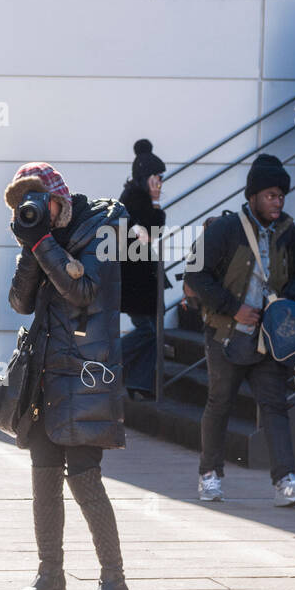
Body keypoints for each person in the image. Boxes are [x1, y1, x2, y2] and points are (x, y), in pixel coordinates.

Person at [6, 162, 130, 590]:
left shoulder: (102, 230)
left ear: (60, 197)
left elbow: (85, 293)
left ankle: (114, 580)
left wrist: (42, 245)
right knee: (43, 477)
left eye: (38, 201)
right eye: (24, 204)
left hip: (86, 373)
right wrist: (31, 248)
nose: (32, 209)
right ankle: (50, 573)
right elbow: (19, 303)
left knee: (83, 476)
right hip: (45, 373)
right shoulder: (42, 238)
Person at [184, 154, 295, 507]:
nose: (278, 201)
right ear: (254, 196)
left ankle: (285, 482)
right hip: (226, 334)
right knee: (220, 404)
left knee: (275, 406)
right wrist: (234, 308)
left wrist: (286, 302)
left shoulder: (288, 229)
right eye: (271, 195)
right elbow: (195, 275)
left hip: (270, 338)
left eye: (281, 195)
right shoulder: (225, 229)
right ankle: (209, 476)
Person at [118, 139, 167, 400]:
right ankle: (109, 360)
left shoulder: (135, 196)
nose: (160, 182)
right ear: (146, 177)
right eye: (156, 177)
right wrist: (157, 202)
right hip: (135, 279)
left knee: (153, 330)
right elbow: (153, 230)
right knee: (149, 331)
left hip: (138, 278)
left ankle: (140, 383)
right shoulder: (136, 198)